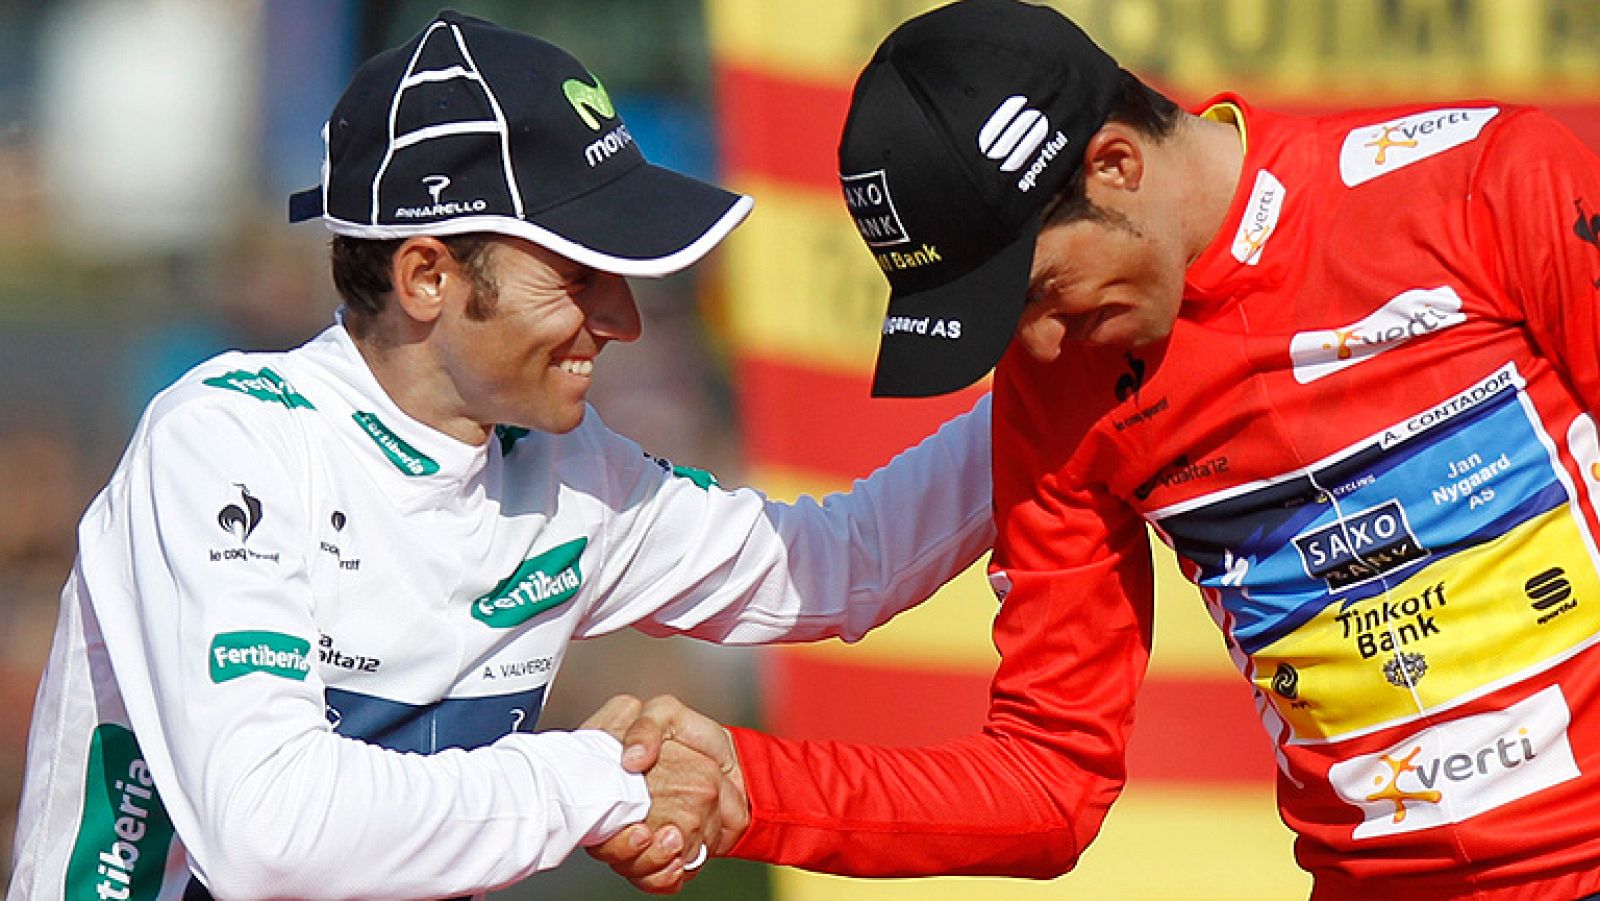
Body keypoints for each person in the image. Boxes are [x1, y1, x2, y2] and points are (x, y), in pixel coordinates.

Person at [594, 0, 1600, 897]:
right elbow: (1047, 783)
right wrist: (748, 789)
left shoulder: (1485, 183)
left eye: (1032, 293)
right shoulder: (1057, 385)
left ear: (1114, 165)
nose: (1033, 346)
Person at [6, 10, 996, 901]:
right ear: (427, 274)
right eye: (578, 271)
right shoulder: (225, 441)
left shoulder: (571, 468)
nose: (622, 321)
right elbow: (272, 834)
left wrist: (1073, 393)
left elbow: (841, 565)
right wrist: (598, 779)